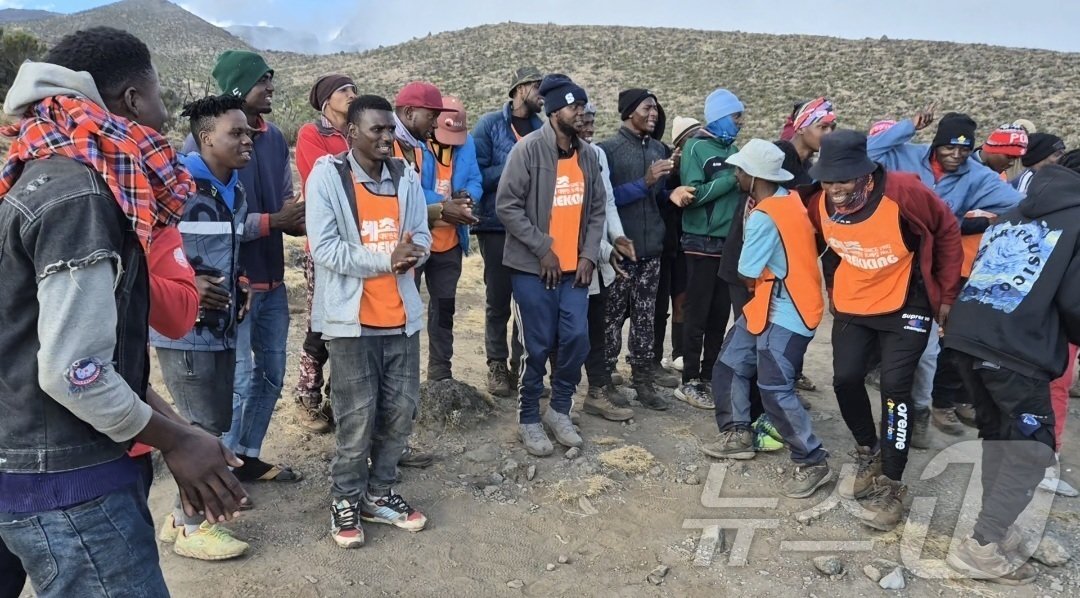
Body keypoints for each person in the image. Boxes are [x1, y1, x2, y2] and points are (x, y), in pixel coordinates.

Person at [0, 28, 246, 596]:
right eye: (158, 91)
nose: (164, 111)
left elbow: (71, 352)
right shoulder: (79, 196)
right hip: (68, 485)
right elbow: (73, 373)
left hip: (36, 469)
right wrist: (178, 440)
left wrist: (178, 430)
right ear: (134, 98)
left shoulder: (41, 177)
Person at [806, 130, 963, 531]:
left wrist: (946, 295)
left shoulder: (904, 193)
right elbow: (821, 244)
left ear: (864, 173)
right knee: (844, 379)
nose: (835, 189)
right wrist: (828, 288)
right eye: (828, 180)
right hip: (855, 300)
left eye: (843, 180)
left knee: (896, 389)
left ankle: (893, 482)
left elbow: (946, 231)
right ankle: (868, 450)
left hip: (905, 301)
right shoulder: (819, 202)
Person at [305, 94, 433, 549]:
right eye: (376, 130)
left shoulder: (406, 175)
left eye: (389, 129)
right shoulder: (328, 177)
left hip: (401, 319)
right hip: (351, 322)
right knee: (356, 417)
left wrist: (416, 251)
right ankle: (345, 498)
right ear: (352, 132)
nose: (386, 137)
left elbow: (422, 236)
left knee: (399, 412)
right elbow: (325, 250)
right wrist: (387, 258)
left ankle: (379, 493)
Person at [943, 163, 1080, 584]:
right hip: (1015, 350)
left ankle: (994, 530)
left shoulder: (1008, 217)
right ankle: (982, 545)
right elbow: (1075, 304)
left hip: (967, 341)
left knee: (1002, 439)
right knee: (1033, 451)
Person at [185, 50, 306, 483]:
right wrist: (275, 221)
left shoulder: (272, 139)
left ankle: (247, 455)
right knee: (237, 381)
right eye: (262, 81)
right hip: (231, 286)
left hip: (272, 277)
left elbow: (282, 196)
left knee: (272, 373)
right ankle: (221, 470)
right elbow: (218, 226)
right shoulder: (200, 147)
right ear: (237, 88)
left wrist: (293, 218)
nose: (270, 87)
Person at [868, 109, 1021, 439]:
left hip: (930, 272)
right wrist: (906, 127)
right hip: (886, 262)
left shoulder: (977, 176)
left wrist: (986, 220)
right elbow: (867, 153)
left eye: (965, 149)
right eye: (950, 147)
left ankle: (920, 412)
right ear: (936, 144)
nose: (957, 155)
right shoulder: (906, 154)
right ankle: (888, 403)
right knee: (876, 337)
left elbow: (1018, 202)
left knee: (926, 351)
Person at [152, 94, 259, 561]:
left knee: (213, 418)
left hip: (220, 323)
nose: (247, 139)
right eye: (236, 132)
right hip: (184, 325)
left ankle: (179, 516)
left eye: (248, 131)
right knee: (197, 424)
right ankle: (194, 527)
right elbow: (151, 244)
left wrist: (239, 280)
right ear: (205, 137)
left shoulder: (232, 187)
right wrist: (190, 281)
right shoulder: (175, 182)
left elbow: (223, 249)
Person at [701, 139, 831, 496]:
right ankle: (738, 432)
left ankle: (812, 459)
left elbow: (746, 269)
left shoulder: (762, 216)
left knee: (775, 387)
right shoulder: (789, 199)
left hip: (787, 310)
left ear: (754, 176)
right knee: (729, 364)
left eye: (740, 170)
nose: (737, 175)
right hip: (776, 301)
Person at [496, 74, 606, 456]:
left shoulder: (588, 156)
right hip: (533, 269)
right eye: (575, 107)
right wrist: (543, 248)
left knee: (577, 339)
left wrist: (590, 255)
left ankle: (560, 410)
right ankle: (529, 417)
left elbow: (596, 210)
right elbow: (506, 206)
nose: (581, 114)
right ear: (555, 110)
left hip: (576, 271)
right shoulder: (526, 151)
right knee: (537, 346)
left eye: (583, 107)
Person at [598, 89, 679, 410]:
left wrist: (670, 193)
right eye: (647, 108)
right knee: (611, 317)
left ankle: (643, 380)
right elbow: (605, 199)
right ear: (630, 111)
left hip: (651, 250)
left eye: (656, 109)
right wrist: (645, 182)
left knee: (646, 318)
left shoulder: (660, 149)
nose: (654, 113)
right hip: (620, 252)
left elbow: (654, 198)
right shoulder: (608, 151)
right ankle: (604, 380)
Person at [473, 66, 545, 397]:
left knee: (528, 301)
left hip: (530, 228)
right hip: (496, 225)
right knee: (498, 299)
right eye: (536, 86)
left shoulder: (542, 129)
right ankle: (496, 365)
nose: (542, 93)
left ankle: (523, 367)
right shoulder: (490, 125)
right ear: (519, 90)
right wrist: (517, 162)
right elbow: (479, 175)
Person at [293, 73, 358, 433]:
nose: (352, 95)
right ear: (325, 101)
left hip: (357, 245)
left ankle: (340, 396)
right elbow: (323, 178)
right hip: (324, 244)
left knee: (351, 324)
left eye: (353, 90)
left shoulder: (357, 131)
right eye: (344, 91)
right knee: (320, 324)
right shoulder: (311, 134)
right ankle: (307, 396)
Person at [673, 88, 745, 408]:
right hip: (700, 242)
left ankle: (711, 375)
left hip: (729, 244)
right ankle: (689, 380)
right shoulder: (696, 147)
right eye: (735, 116)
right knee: (698, 313)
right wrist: (732, 178)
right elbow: (694, 194)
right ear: (719, 116)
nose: (740, 123)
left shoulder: (736, 151)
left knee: (720, 315)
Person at [416, 94, 482, 382]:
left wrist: (469, 198)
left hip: (450, 243)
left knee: (444, 308)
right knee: (403, 308)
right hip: (418, 240)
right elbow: (409, 187)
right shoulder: (415, 146)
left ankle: (440, 371)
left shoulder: (467, 144)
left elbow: (475, 179)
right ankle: (400, 372)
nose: (451, 142)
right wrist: (446, 204)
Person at [580, 102, 636, 422]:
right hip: (579, 257)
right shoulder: (560, 157)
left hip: (601, 257)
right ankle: (562, 393)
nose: (589, 128)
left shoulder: (598, 156)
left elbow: (608, 201)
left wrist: (617, 238)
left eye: (592, 122)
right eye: (584, 121)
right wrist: (602, 248)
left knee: (598, 323)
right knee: (574, 329)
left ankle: (598, 390)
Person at [656, 116, 700, 374]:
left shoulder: (696, 167)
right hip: (664, 242)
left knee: (683, 297)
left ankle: (679, 352)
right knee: (659, 303)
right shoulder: (667, 167)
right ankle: (656, 355)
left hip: (685, 242)